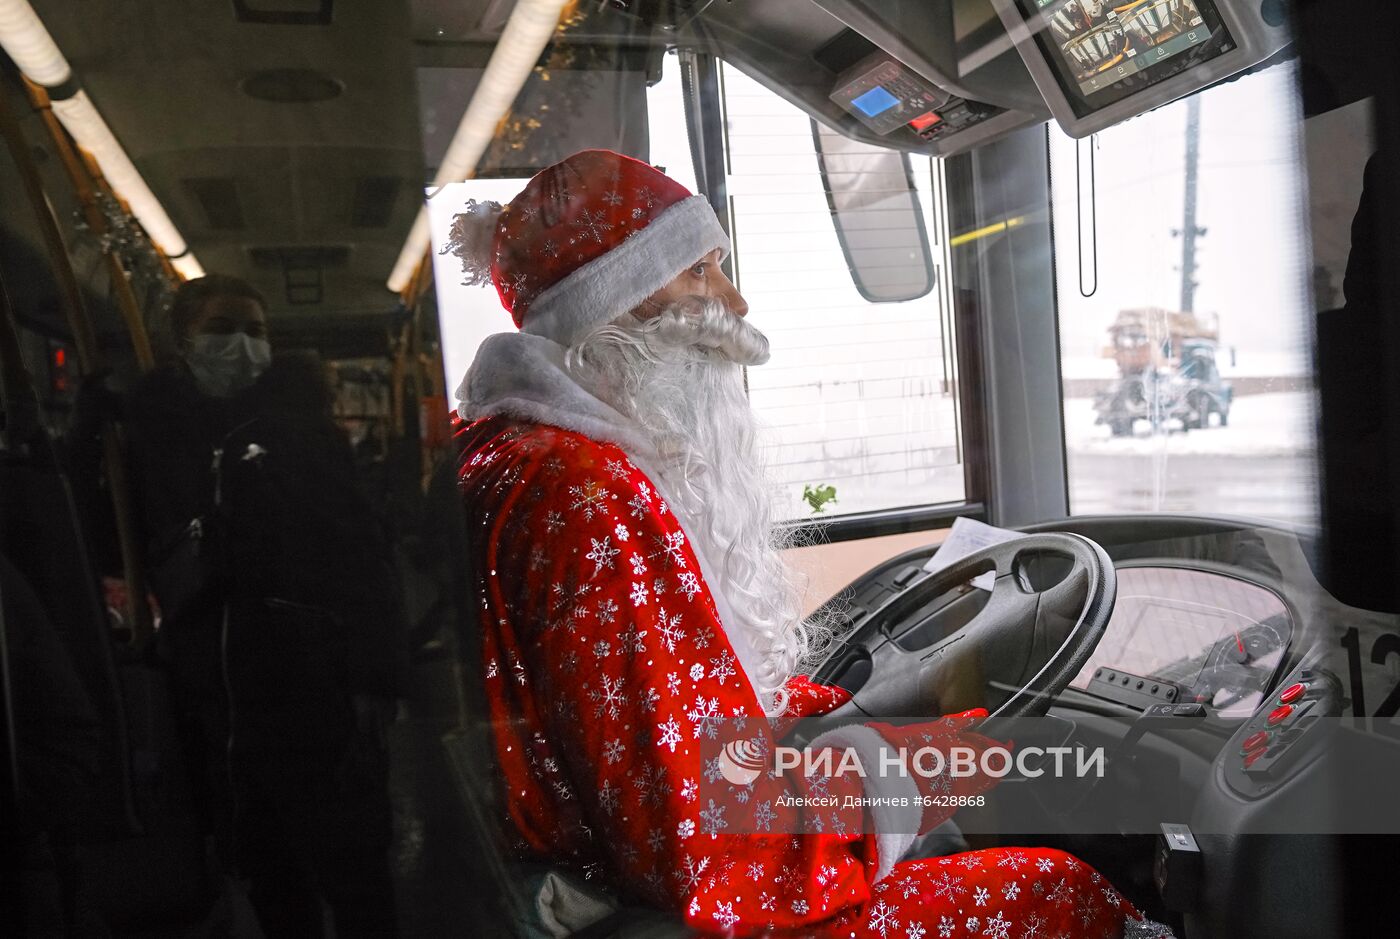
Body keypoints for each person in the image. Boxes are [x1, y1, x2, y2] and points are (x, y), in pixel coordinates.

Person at [447, 150, 1172, 937]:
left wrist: (846, 720)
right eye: (700, 271)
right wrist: (940, 761)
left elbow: (654, 720)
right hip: (664, 904)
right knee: (1055, 887)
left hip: (598, 877)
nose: (734, 299)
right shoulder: (587, 495)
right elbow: (712, 849)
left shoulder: (509, 451)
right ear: (615, 300)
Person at [71, 274, 405, 937]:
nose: (244, 344)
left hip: (315, 684)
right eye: (224, 328)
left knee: (357, 874)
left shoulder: (304, 433)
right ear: (182, 340)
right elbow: (111, 538)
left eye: (256, 330)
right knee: (272, 877)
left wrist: (374, 675)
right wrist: (92, 434)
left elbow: (361, 556)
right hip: (217, 694)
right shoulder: (154, 438)